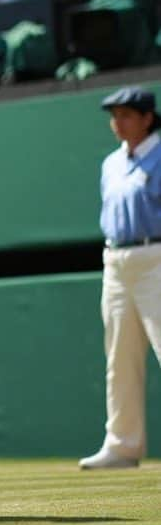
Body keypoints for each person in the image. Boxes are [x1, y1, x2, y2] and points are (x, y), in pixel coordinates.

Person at [79, 87, 161, 470]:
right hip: (116, 261)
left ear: (148, 118)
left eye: (127, 114)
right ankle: (123, 445)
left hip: (156, 258)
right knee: (119, 356)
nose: (118, 122)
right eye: (115, 116)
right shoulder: (110, 163)